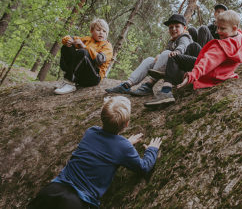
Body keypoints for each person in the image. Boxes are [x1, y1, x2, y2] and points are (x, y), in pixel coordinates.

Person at [27, 96, 162, 208]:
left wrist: (125, 144)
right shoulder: (123, 147)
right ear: (126, 124)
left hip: (53, 190)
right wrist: (152, 150)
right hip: (78, 202)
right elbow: (143, 168)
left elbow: (105, 145)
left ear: (101, 116)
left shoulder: (91, 132)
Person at [148, 10, 242, 100]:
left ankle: (166, 92)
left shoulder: (221, 47)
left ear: (234, 28)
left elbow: (206, 62)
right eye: (217, 27)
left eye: (222, 29)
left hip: (210, 74)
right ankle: (171, 71)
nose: (218, 31)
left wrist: (191, 76)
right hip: (221, 73)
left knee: (174, 57)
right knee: (193, 47)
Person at [105, 14, 192, 96]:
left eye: (177, 26)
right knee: (150, 60)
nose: (173, 29)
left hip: (181, 73)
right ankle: (127, 85)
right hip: (171, 70)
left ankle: (149, 85)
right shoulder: (172, 41)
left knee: (166, 53)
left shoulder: (185, 37)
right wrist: (160, 56)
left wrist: (177, 51)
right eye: (171, 27)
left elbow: (183, 46)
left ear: (184, 28)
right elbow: (165, 54)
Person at [54, 18, 113, 95]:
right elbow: (71, 37)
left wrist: (84, 47)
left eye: (104, 31)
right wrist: (68, 40)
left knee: (83, 53)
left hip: (93, 77)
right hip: (80, 76)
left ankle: (70, 83)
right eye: (98, 30)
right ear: (92, 31)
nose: (101, 33)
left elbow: (100, 59)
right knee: (67, 47)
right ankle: (67, 79)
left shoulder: (107, 46)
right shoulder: (87, 39)